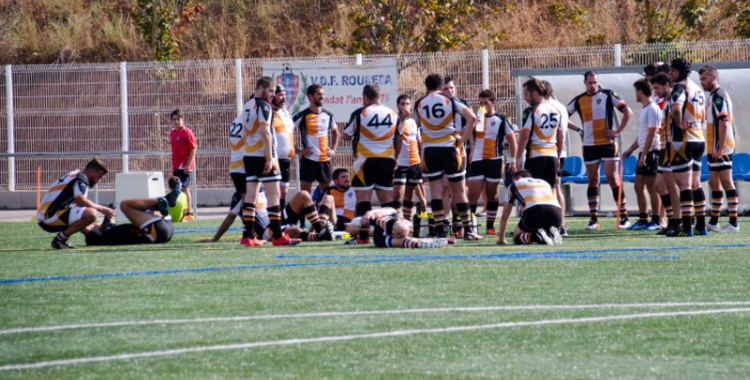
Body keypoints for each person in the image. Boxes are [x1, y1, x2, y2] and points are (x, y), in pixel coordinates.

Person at [415, 73, 482, 240]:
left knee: (436, 191)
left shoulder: (420, 103)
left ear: (426, 87)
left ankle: (440, 231)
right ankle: (468, 230)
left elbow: (415, 124)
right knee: (459, 190)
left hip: (430, 150)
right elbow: (472, 118)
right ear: (440, 87)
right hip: (450, 148)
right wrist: (464, 138)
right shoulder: (450, 100)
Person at [567, 70, 633, 230]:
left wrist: (618, 132)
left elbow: (628, 112)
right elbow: (562, 116)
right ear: (585, 83)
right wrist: (578, 130)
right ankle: (594, 219)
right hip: (589, 145)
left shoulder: (608, 95)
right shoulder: (579, 100)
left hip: (607, 144)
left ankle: (623, 216)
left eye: (595, 82)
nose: (593, 85)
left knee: (613, 178)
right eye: (590, 82)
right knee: (593, 180)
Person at [237, 76, 298, 247]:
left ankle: (248, 236)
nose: (272, 95)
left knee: (251, 196)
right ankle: (278, 235)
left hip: (249, 155)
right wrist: (270, 157)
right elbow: (265, 132)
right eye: (271, 91)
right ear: (261, 88)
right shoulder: (263, 105)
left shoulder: (248, 105)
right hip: (262, 156)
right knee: (274, 195)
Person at [341, 84, 402, 244]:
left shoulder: (360, 113)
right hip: (387, 160)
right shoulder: (393, 113)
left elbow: (345, 135)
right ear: (379, 96)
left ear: (365, 97)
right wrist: (396, 157)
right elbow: (398, 138)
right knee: (387, 200)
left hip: (365, 161)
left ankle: (362, 237)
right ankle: (392, 232)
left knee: (363, 201)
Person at [200, 188, 335, 243]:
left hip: (278, 218)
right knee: (292, 230)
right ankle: (319, 237)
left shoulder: (263, 188)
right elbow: (229, 219)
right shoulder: (240, 195)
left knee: (304, 195)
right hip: (266, 229)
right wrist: (214, 239)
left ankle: (321, 230)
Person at [467, 89, 517, 235]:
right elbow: (468, 133)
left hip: (495, 160)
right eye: (480, 103)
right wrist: (472, 124)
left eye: (485, 103)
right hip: (477, 160)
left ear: (493, 103)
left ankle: (490, 226)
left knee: (492, 194)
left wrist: (513, 160)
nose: (482, 106)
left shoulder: (501, 119)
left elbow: (512, 140)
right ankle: (470, 225)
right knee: (472, 194)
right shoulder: (477, 117)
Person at [666, 58, 707, 237]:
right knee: (696, 184)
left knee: (684, 185)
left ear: (679, 72)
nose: (670, 74)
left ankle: (686, 228)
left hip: (683, 140)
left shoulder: (679, 88)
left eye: (672, 71)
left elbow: (676, 108)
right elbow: (704, 115)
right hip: (699, 138)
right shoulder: (697, 88)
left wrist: (679, 123)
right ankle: (701, 226)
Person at [36, 158, 114, 249]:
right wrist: (102, 209)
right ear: (92, 172)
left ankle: (94, 235)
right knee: (91, 214)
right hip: (49, 217)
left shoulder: (76, 174)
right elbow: (81, 201)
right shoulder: (82, 179)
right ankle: (60, 239)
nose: (99, 181)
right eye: (99, 177)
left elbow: (78, 203)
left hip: (47, 215)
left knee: (83, 214)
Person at [701, 65, 740, 232]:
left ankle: (733, 223)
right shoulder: (712, 97)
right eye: (701, 79)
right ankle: (714, 221)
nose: (702, 82)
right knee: (714, 183)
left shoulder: (719, 96)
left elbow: (724, 124)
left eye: (704, 79)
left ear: (713, 78)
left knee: (726, 182)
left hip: (720, 148)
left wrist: (720, 148)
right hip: (713, 148)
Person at [622, 79, 662, 231]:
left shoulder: (653, 108)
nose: (635, 95)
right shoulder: (645, 109)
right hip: (644, 152)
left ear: (640, 91)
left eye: (636, 92)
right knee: (638, 186)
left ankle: (656, 220)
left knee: (652, 187)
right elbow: (643, 135)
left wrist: (644, 154)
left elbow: (652, 133)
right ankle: (643, 218)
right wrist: (631, 149)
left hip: (651, 152)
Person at [650, 73, 682, 234]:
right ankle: (672, 220)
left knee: (672, 186)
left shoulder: (675, 98)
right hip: (663, 146)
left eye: (657, 88)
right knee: (659, 185)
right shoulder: (665, 101)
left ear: (666, 85)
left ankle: (679, 221)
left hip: (672, 147)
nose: (655, 91)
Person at [516, 78, 564, 189]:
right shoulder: (556, 110)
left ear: (535, 93)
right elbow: (561, 137)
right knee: (550, 191)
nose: (525, 98)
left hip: (536, 156)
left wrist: (518, 157)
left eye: (526, 94)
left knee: (533, 191)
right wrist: (558, 156)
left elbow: (524, 136)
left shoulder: (530, 111)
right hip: (552, 155)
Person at [496, 169, 563, 246]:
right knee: (543, 229)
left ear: (518, 178)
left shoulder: (515, 184)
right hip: (557, 212)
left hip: (536, 210)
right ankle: (551, 233)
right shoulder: (544, 183)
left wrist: (501, 239)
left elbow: (505, 216)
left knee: (516, 237)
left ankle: (535, 236)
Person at [293, 83, 339, 193]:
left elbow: (336, 133)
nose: (322, 96)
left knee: (327, 194)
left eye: (323, 94)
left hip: (325, 159)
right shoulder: (302, 115)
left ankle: (323, 210)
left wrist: (333, 150)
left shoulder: (328, 115)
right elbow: (288, 132)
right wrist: (298, 151)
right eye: (319, 94)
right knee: (305, 195)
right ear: (310, 96)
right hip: (309, 159)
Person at [539, 80, 570, 236]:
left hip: (550, 152)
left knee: (550, 188)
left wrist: (557, 154)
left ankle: (553, 223)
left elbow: (561, 134)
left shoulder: (544, 107)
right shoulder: (560, 107)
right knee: (555, 187)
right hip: (557, 153)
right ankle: (560, 224)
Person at [85, 196, 175, 246]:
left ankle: (160, 204)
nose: (94, 225)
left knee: (141, 210)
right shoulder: (99, 238)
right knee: (125, 205)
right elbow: (84, 227)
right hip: (156, 231)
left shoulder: (111, 230)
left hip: (164, 229)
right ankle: (162, 199)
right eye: (93, 227)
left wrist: (107, 214)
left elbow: (109, 220)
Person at [351, 208, 455, 248]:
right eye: (411, 226)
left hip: (382, 240)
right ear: (403, 219)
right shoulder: (393, 213)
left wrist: (439, 240)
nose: (412, 230)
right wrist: (369, 214)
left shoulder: (402, 230)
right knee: (403, 230)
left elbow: (414, 237)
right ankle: (369, 221)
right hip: (382, 224)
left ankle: (423, 245)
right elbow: (378, 212)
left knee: (405, 240)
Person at [393, 94, 424, 223]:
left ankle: (407, 220)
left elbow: (419, 141)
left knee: (410, 192)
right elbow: (396, 138)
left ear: (411, 106)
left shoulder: (413, 122)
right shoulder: (395, 120)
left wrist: (422, 158)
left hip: (414, 162)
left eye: (407, 104)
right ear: (397, 106)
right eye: (402, 104)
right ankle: (394, 220)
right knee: (398, 193)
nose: (405, 106)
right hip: (400, 162)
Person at [169, 109, 197, 221]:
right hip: (176, 164)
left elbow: (193, 148)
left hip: (184, 164)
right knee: (179, 188)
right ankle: (183, 211)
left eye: (178, 119)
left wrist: (188, 165)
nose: (176, 121)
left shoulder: (187, 132)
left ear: (182, 119)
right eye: (174, 119)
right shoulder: (173, 132)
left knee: (184, 188)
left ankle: (189, 212)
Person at [271, 84, 295, 211]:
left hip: (286, 158)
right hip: (274, 158)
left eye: (285, 95)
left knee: (284, 191)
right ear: (273, 96)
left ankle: (280, 220)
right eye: (280, 95)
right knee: (274, 191)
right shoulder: (268, 112)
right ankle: (272, 220)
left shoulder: (286, 112)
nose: (283, 98)